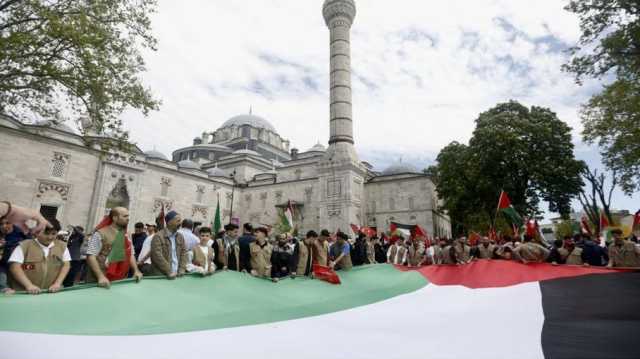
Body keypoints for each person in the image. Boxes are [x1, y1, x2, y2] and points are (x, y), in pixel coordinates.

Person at [8, 218, 70, 294]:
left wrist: (57, 283)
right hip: (24, 292)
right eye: (46, 233)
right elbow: (15, 267)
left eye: (53, 234)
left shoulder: (62, 246)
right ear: (37, 232)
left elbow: (66, 265)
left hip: (49, 292)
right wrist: (29, 285)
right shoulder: (25, 246)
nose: (50, 237)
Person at [86, 207, 143, 288]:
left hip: (119, 279)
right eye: (125, 216)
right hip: (99, 279)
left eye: (128, 216)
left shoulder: (127, 235)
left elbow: (131, 254)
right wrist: (100, 276)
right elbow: (91, 256)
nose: (128, 219)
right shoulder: (100, 233)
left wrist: (136, 271)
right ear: (115, 218)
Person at [150, 211, 189, 279]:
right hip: (162, 276)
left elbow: (184, 253)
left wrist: (182, 269)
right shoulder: (158, 236)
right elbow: (157, 256)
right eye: (178, 221)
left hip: (177, 275)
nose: (180, 223)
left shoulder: (180, 237)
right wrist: (169, 271)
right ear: (169, 222)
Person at [0, 216, 28, 292]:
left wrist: (7, 244)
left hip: (21, 267)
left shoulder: (22, 233)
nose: (4, 226)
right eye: (1, 224)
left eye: (7, 223)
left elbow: (28, 244)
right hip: (3, 267)